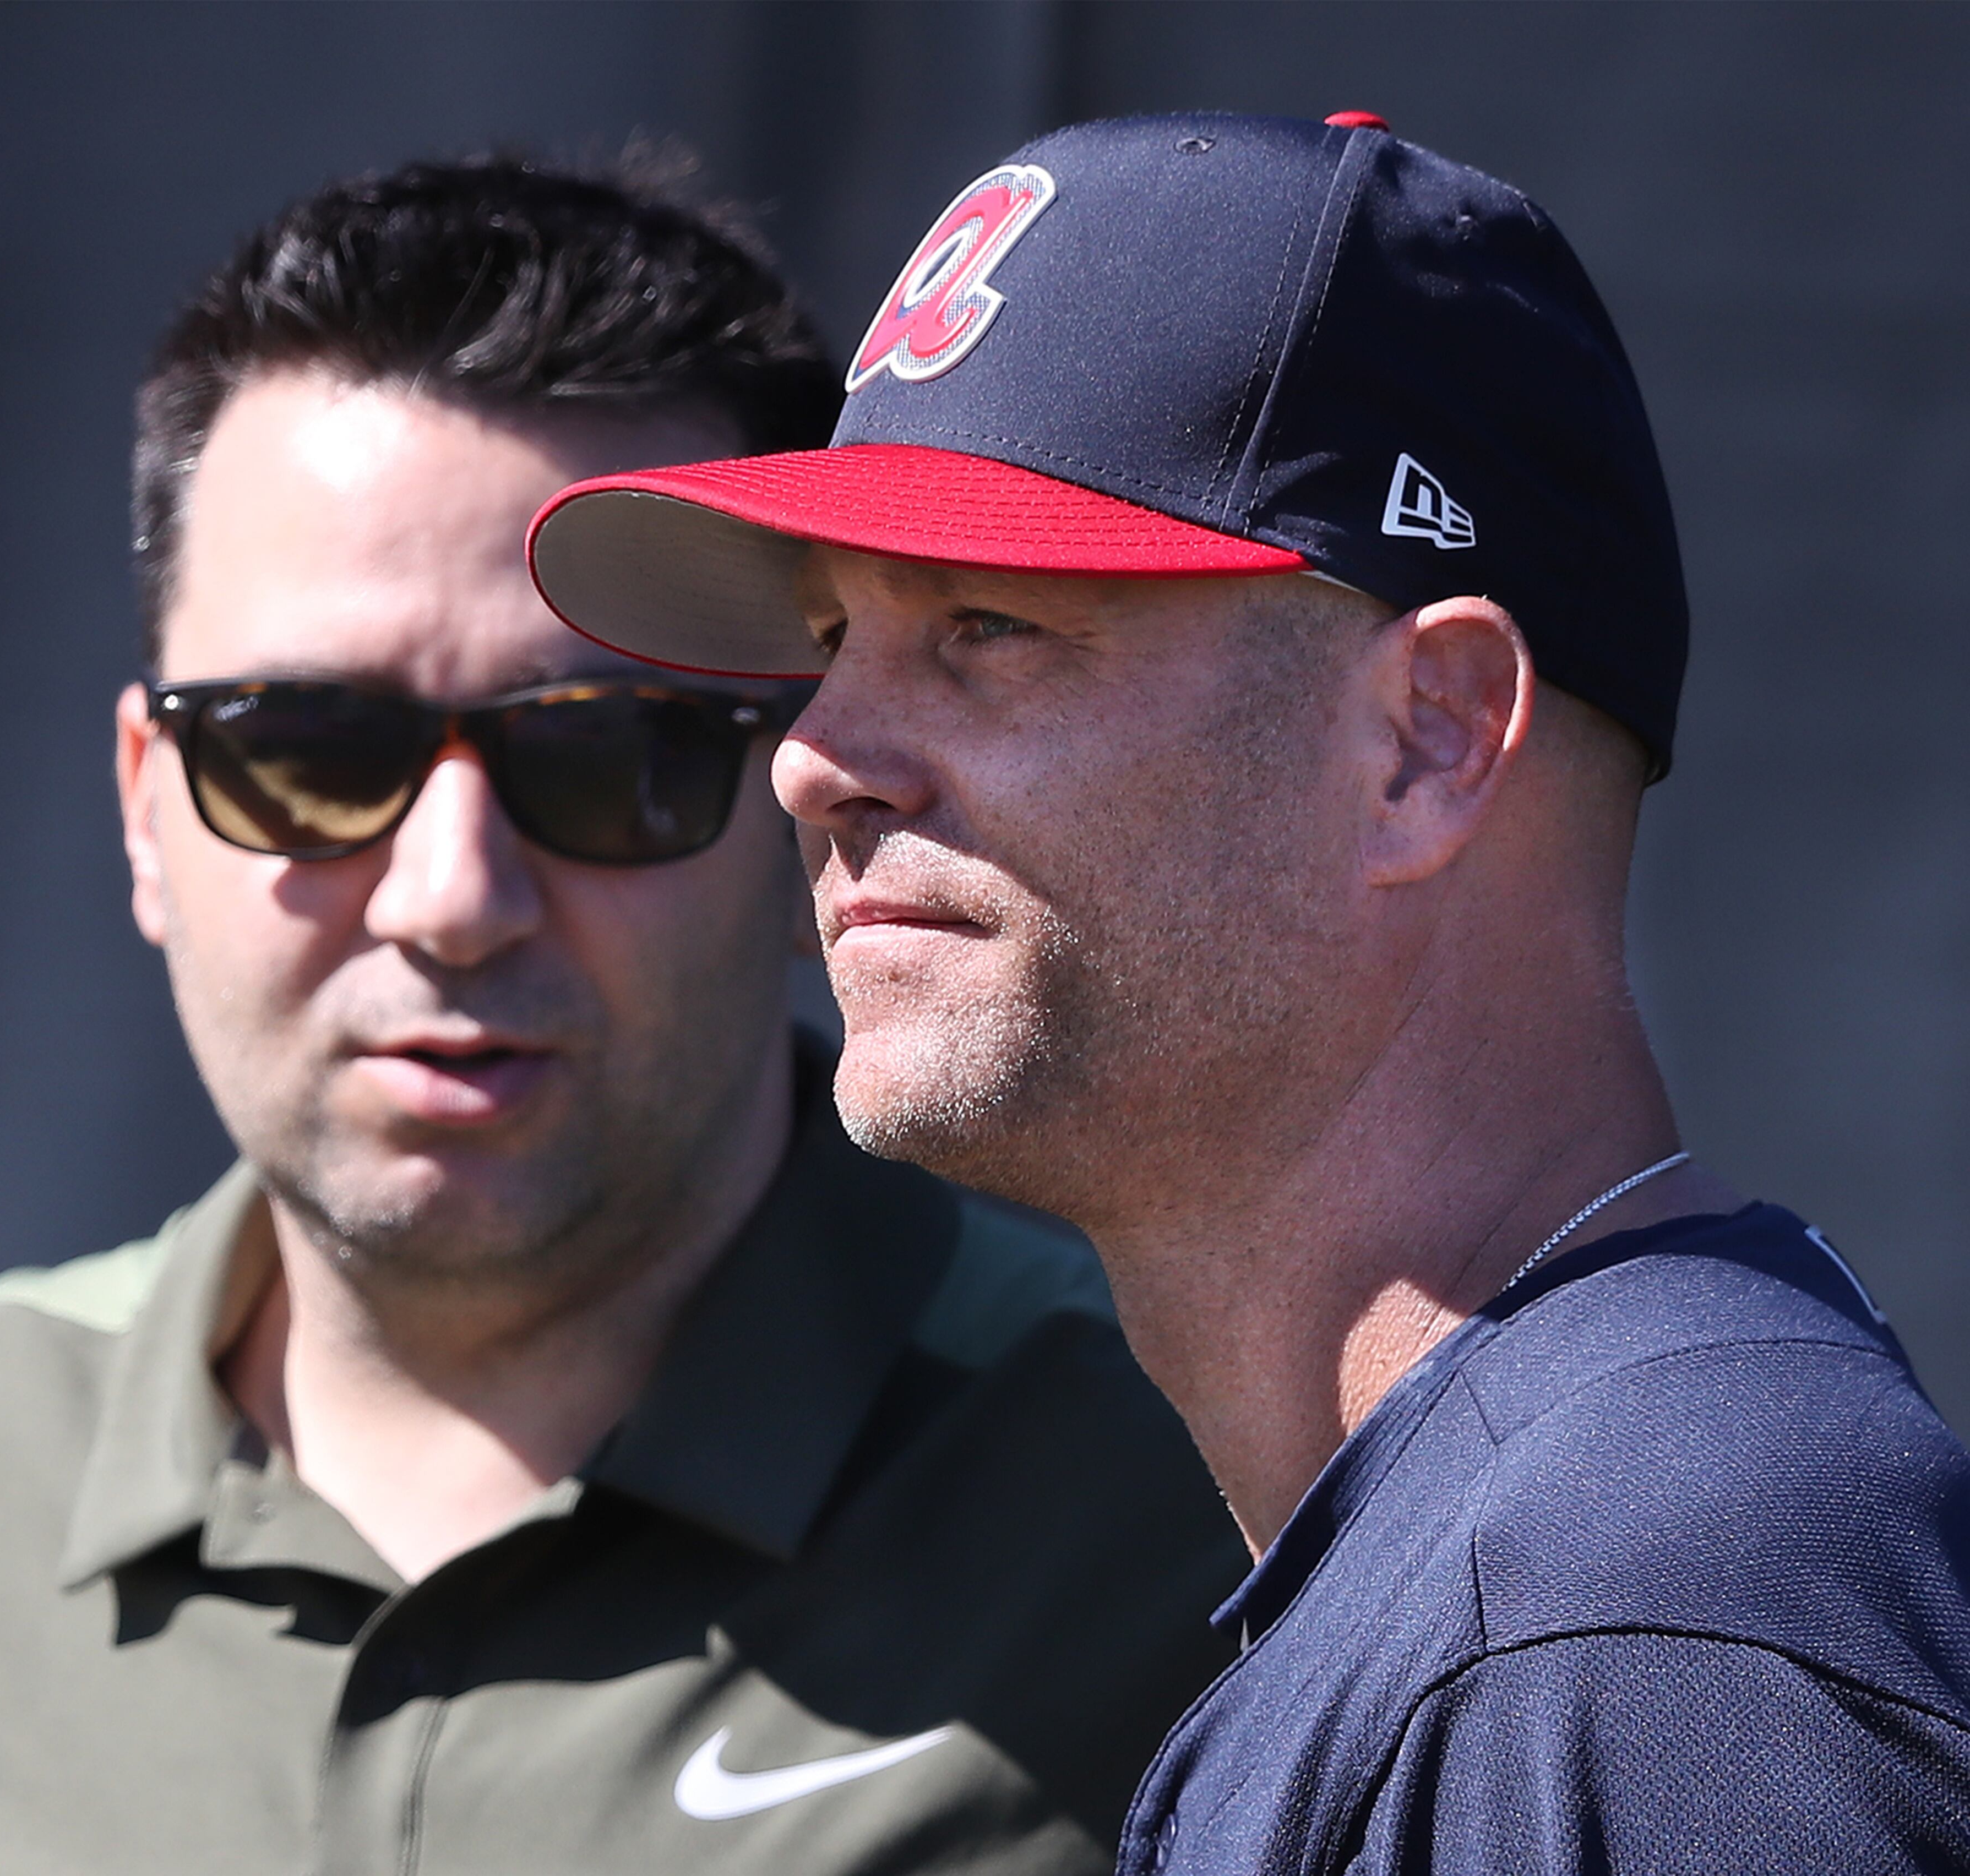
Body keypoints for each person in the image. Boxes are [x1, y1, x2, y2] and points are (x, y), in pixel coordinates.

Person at [526, 113, 1970, 1872]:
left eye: (987, 625)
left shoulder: (1635, 1632)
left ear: (1428, 741)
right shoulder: (1544, 1553)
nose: (813, 759)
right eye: (836, 641)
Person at [0, 154, 1248, 1873]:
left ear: (809, 797)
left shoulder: (1191, 1514)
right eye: (306, 752)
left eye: (614, 756)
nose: (450, 896)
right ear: (150, 808)